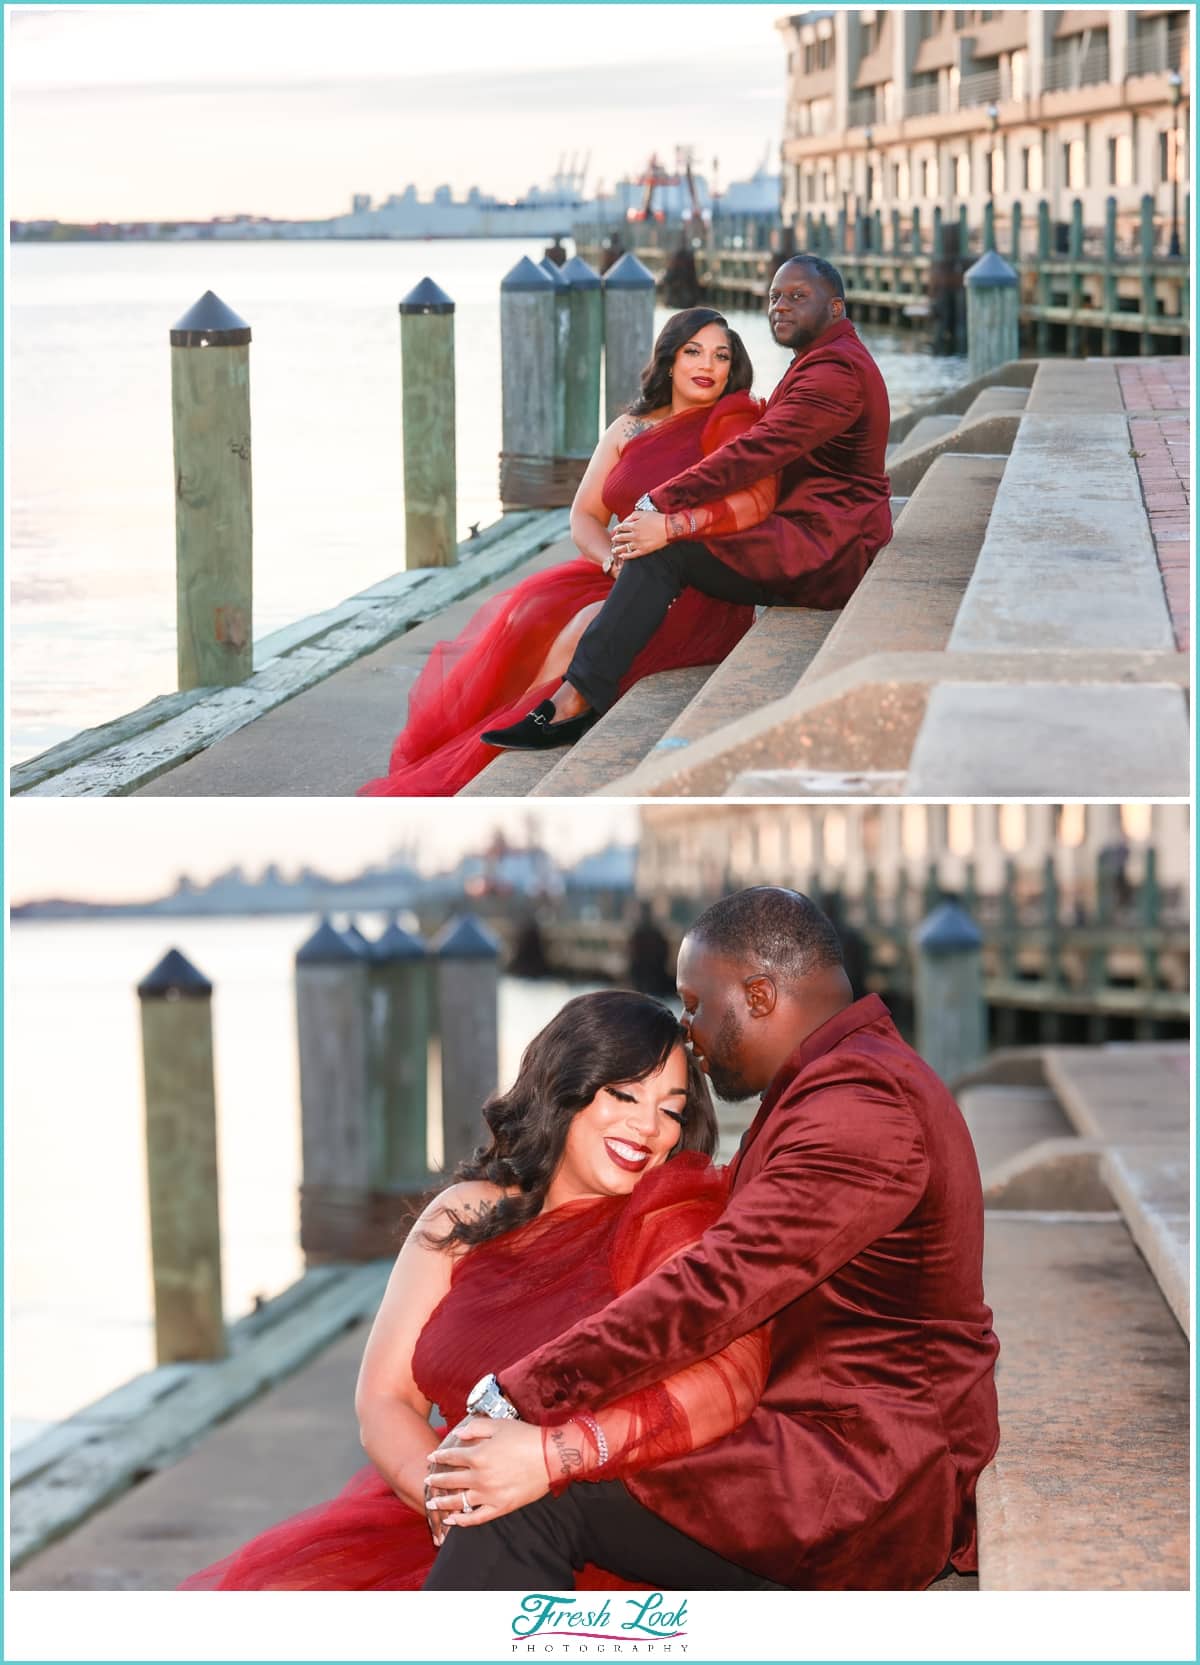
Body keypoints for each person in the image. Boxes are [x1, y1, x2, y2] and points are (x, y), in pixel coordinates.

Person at [424, 887, 1000, 1591]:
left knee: (530, 1497)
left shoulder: (861, 1110)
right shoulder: (834, 1085)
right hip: (820, 1445)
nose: (687, 1032)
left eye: (694, 1003)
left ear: (758, 994)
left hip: (861, 1483)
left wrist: (518, 1398)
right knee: (543, 1469)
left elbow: (714, 1287)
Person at [180, 991, 777, 1592]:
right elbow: (386, 1401)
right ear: (565, 1085)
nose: (648, 1127)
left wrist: (552, 1459)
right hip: (443, 1512)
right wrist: (456, 1500)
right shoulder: (465, 1213)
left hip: (609, 1536)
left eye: (670, 1110)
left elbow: (725, 1384)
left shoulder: (671, 1221)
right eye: (623, 1095)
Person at [359, 309, 779, 796]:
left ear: (733, 367)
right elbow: (584, 517)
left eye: (721, 355)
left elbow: (752, 505)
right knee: (528, 618)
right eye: (693, 351)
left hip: (695, 589)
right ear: (669, 360)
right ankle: (492, 737)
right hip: (625, 574)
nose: (707, 364)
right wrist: (614, 563)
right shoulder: (629, 428)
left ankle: (526, 731)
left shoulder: (733, 422)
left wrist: (669, 530)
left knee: (582, 626)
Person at [483, 255, 893, 750]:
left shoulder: (835, 373)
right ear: (670, 359)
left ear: (835, 307)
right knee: (539, 617)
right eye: (774, 297)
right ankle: (563, 700)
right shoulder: (821, 360)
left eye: (797, 297)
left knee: (666, 551)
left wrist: (659, 505)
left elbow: (754, 454)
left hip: (828, 548)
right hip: (814, 532)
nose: (780, 307)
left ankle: (574, 703)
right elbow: (586, 513)